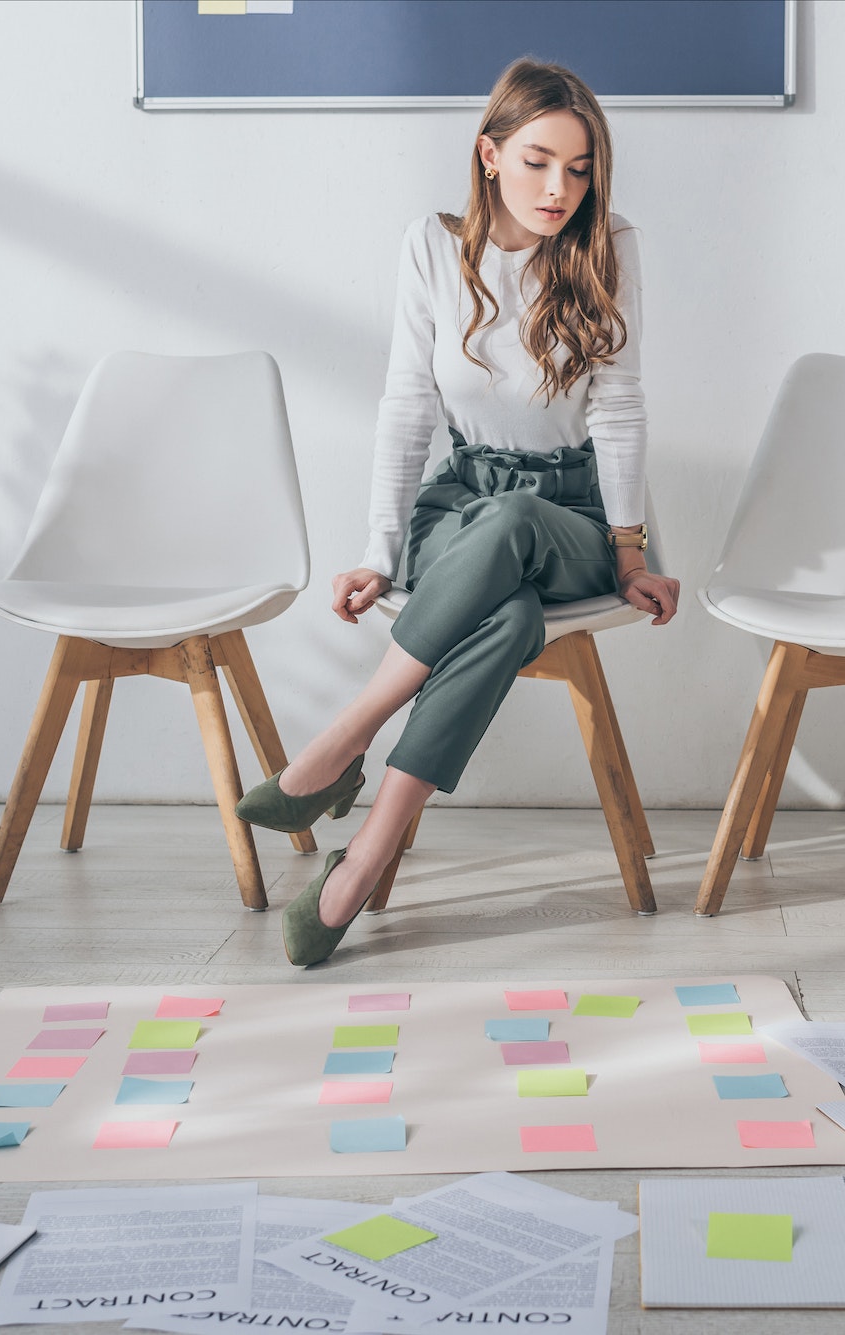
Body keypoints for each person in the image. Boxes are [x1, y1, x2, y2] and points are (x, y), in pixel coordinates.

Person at [235, 59, 679, 967]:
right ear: (488, 155)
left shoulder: (610, 246)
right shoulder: (433, 247)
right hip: (459, 499)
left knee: (514, 525)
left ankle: (342, 739)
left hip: (569, 515)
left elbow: (620, 407)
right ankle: (362, 860)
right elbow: (408, 403)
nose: (562, 187)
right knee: (507, 616)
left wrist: (629, 552)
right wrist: (379, 546)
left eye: (581, 168)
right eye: (538, 160)